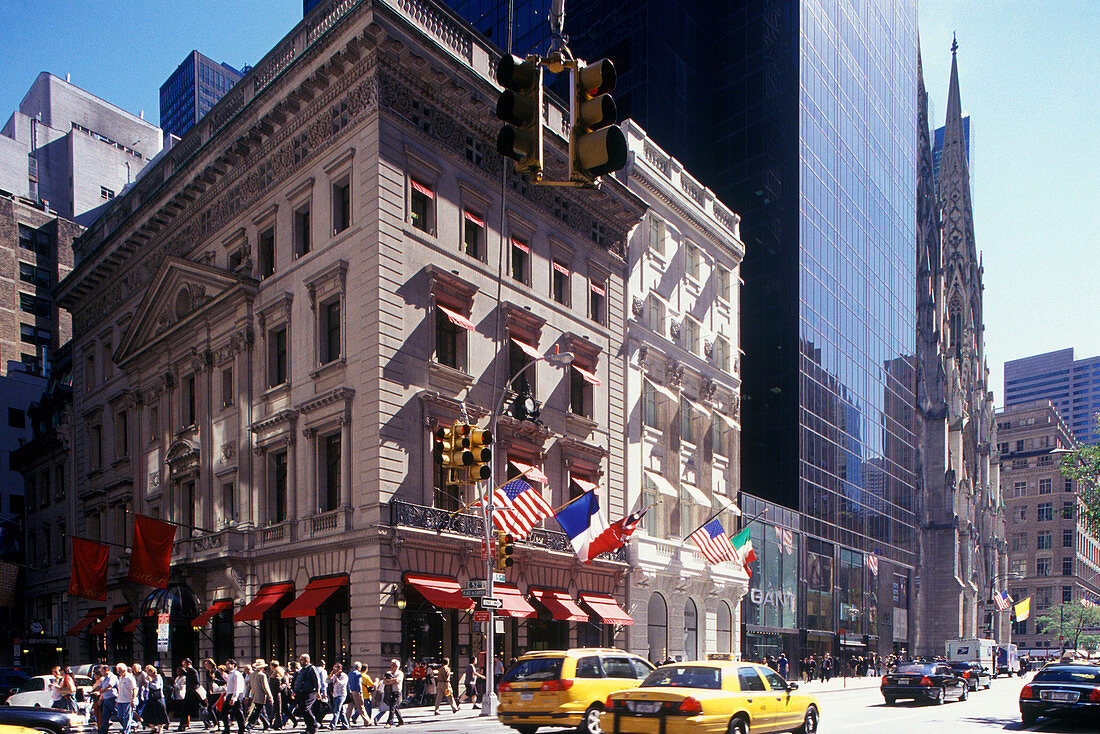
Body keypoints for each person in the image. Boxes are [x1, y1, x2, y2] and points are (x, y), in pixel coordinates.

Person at [292, 654, 320, 734]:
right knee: (302, 709)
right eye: (300, 660)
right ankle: (309, 728)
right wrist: (295, 691)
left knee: (305, 708)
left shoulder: (311, 668)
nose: (300, 662)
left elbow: (316, 680)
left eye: (302, 660)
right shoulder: (302, 669)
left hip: (310, 692)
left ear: (307, 660)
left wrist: (318, 691)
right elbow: (298, 681)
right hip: (301, 692)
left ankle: (314, 724)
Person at [246, 660, 273, 731]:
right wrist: (270, 697)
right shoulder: (262, 675)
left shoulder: (251, 674)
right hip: (261, 696)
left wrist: (246, 695)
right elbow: (265, 687)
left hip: (254, 695)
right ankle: (250, 725)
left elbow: (249, 687)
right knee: (258, 711)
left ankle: (266, 725)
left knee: (261, 710)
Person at [143, 666, 171, 734]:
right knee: (148, 713)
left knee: (160, 713)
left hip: (158, 698)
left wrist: (150, 682)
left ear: (151, 671)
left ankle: (160, 729)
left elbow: (156, 687)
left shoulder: (158, 677)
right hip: (151, 698)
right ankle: (153, 727)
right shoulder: (148, 678)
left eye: (148, 671)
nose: (147, 673)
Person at [221, 660, 246, 734]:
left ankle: (242, 729)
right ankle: (227, 728)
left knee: (238, 713)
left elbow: (238, 686)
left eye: (229, 664)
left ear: (233, 665)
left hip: (235, 695)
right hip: (230, 694)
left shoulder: (236, 674)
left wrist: (234, 698)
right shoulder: (230, 674)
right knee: (223, 712)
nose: (227, 666)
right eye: (226, 664)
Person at [178, 659, 202, 731]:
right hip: (188, 694)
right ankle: (182, 726)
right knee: (185, 710)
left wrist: (192, 690)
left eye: (183, 665)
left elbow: (197, 683)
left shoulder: (193, 671)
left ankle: (210, 723)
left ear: (188, 664)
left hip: (193, 694)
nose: (183, 666)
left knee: (201, 707)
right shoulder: (188, 672)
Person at [380, 660, 403, 728]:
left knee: (392, 707)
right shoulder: (389, 673)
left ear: (397, 666)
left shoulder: (400, 673)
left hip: (397, 692)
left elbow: (396, 680)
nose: (392, 667)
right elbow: (384, 682)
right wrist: (390, 681)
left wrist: (389, 681)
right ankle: (400, 721)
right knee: (393, 707)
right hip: (390, 692)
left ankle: (389, 722)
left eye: (393, 665)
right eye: (391, 665)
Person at [116, 663, 138, 734]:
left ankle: (126, 731)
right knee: (119, 716)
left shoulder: (130, 678)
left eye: (119, 671)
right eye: (117, 671)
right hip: (120, 700)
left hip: (127, 700)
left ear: (124, 670)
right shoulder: (120, 677)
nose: (118, 673)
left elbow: (134, 689)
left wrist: (133, 699)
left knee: (127, 717)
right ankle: (133, 724)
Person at [98, 664, 119, 734]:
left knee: (119, 715)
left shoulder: (112, 677)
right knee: (105, 717)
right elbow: (99, 686)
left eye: (101, 671)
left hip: (113, 699)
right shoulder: (104, 678)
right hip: (106, 700)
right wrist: (93, 691)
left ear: (106, 670)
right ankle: (103, 732)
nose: (101, 673)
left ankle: (132, 725)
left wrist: (101, 691)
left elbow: (109, 686)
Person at [327, 664, 348, 730]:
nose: (334, 670)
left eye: (335, 668)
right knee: (341, 711)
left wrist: (336, 678)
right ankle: (345, 725)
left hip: (341, 694)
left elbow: (341, 684)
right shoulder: (334, 675)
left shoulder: (343, 675)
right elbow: (327, 681)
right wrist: (331, 675)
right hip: (335, 694)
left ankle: (332, 725)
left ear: (340, 668)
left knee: (336, 710)